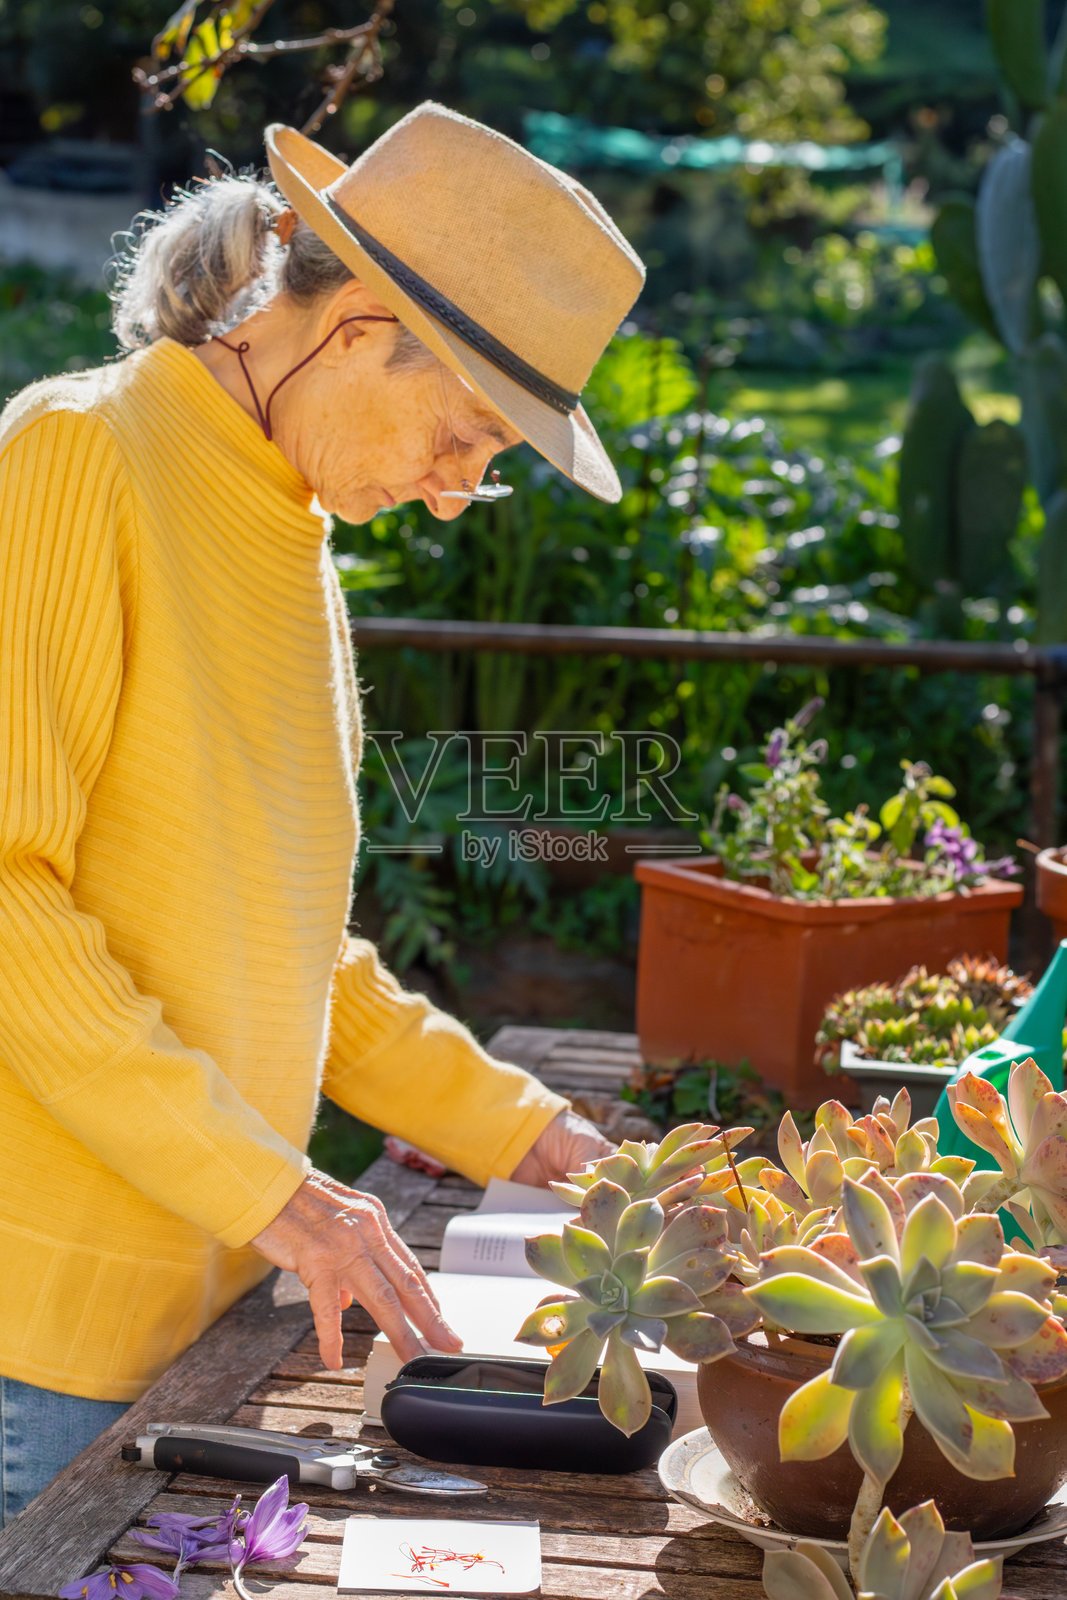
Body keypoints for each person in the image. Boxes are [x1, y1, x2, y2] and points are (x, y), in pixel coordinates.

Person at [0, 102, 645, 1523]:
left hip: (211, 1320)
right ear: (355, 329)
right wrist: (288, 1198)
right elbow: (7, 907)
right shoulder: (77, 459)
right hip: (38, 1355)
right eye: (470, 433)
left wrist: (534, 1135)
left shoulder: (297, 541)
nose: (460, 494)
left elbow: (288, 954)